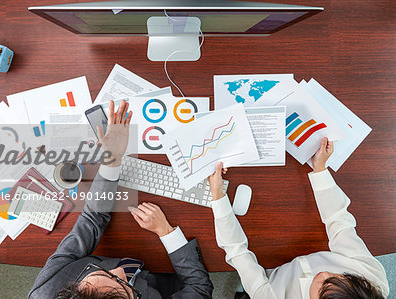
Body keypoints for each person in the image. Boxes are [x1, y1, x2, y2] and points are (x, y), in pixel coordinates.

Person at [29, 100, 213, 299]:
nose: (119, 270)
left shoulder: (46, 290)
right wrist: (166, 232)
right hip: (165, 283)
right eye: (122, 284)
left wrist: (112, 159)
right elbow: (200, 290)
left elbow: (91, 220)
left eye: (99, 272)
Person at [207, 138, 389, 299]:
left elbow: (237, 252)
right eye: (339, 277)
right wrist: (320, 169)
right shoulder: (371, 281)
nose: (324, 274)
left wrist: (217, 195)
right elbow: (339, 221)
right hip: (311, 238)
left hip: (271, 266)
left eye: (321, 287)